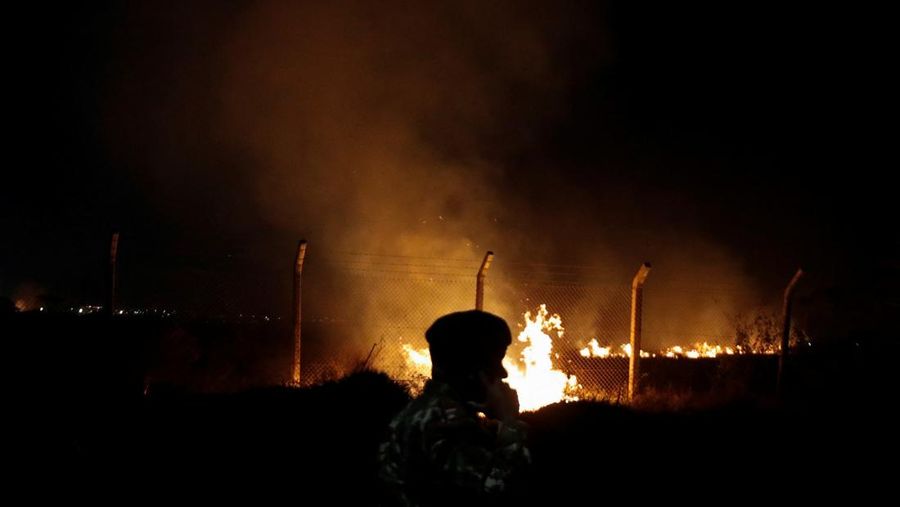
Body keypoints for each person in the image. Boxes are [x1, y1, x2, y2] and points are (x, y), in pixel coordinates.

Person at [378, 310, 530, 507]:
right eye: (495, 362)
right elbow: (500, 490)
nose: (503, 373)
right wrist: (509, 423)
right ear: (472, 371)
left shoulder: (431, 410)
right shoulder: (445, 421)